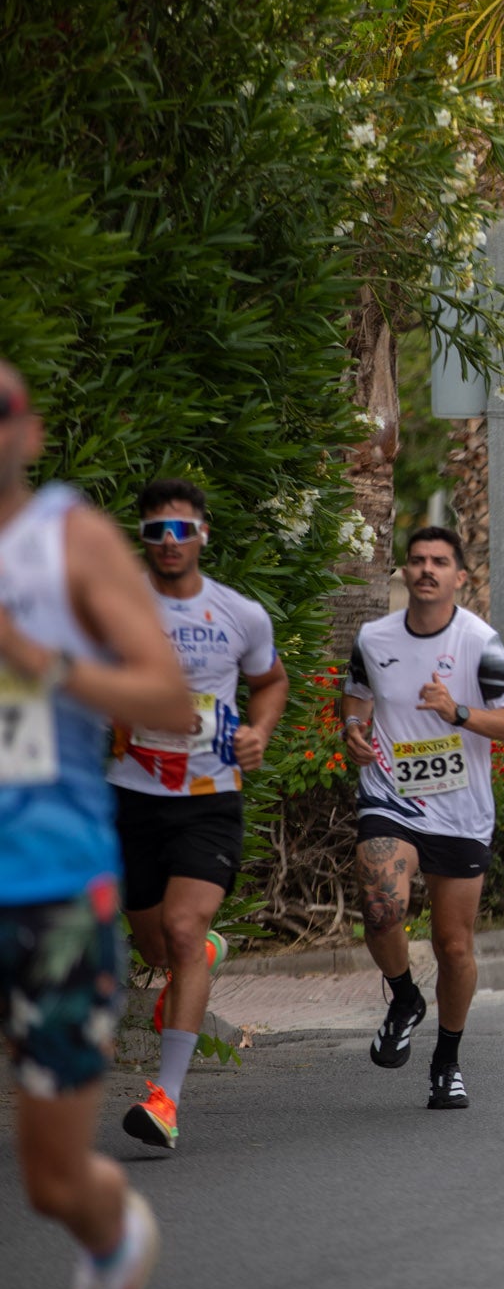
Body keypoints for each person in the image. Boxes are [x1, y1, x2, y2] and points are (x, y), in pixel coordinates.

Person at [0, 361, 189, 1289]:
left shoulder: (66, 544)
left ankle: (113, 1234)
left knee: (50, 1180)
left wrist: (45, 663)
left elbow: (171, 700)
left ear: (27, 434)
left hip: (53, 889)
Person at [107, 479, 288, 1150]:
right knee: (157, 944)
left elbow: (270, 681)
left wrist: (260, 732)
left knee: (183, 928)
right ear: (144, 540)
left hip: (211, 797)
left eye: (181, 530)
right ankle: (200, 956)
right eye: (156, 531)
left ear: (203, 534)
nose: (169, 543)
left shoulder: (240, 613)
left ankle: (166, 1099)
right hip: (135, 793)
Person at [340, 526, 504, 1110]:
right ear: (403, 571)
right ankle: (403, 997)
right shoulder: (373, 638)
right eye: (417, 560)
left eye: (440, 562)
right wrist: (352, 731)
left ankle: (446, 1061)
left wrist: (459, 711)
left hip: (461, 810)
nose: (426, 570)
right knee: (381, 904)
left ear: (459, 577)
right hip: (391, 796)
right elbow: (356, 697)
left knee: (453, 946)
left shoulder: (482, 643)